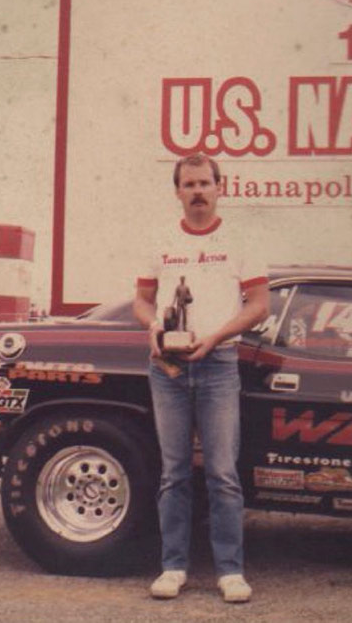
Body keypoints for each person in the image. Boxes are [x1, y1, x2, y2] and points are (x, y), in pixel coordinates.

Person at [133, 154, 268, 603]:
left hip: (218, 363)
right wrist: (155, 329)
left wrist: (214, 337)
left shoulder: (240, 239)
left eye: (204, 183)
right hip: (168, 369)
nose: (196, 191)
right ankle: (173, 567)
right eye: (188, 184)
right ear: (177, 191)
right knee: (173, 472)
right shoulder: (160, 240)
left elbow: (258, 305)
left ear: (218, 187)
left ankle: (230, 571)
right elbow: (142, 301)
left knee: (222, 473)